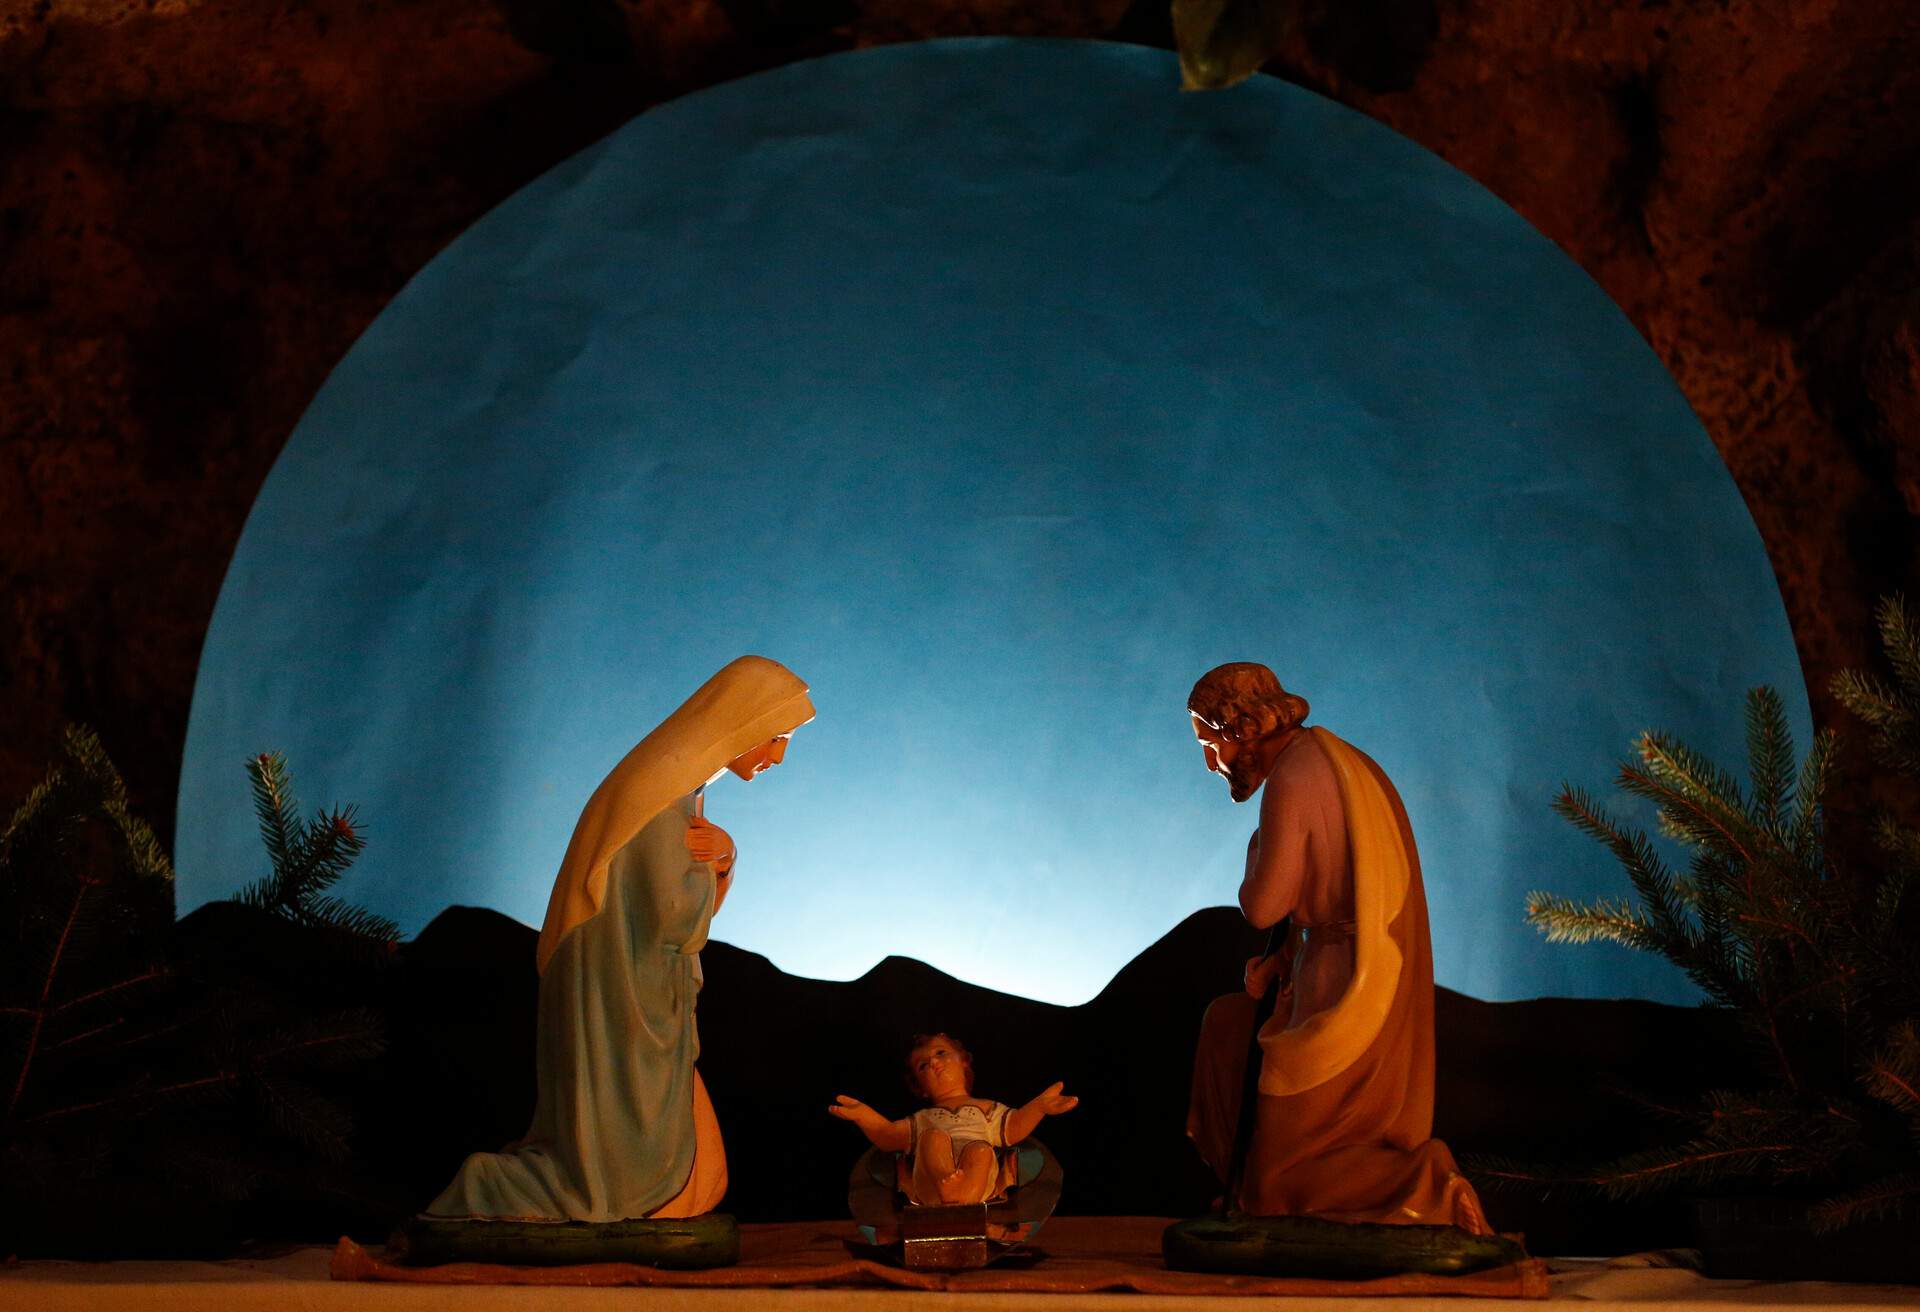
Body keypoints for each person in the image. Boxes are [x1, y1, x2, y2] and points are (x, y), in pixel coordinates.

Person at [425, 655, 814, 1222]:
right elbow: (674, 919)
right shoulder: (663, 795)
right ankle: (491, 1189)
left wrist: (723, 861)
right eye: (777, 736)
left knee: (675, 1166)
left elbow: (682, 926)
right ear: (742, 720)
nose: (778, 755)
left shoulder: (673, 786)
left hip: (631, 986)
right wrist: (722, 862)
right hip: (623, 997)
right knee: (625, 1158)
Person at [1184, 662, 1489, 1232]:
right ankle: (1259, 1194)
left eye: (1209, 742)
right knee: (1229, 1029)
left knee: (1282, 1177)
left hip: (1343, 991)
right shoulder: (1340, 761)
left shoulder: (1295, 776)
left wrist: (1253, 857)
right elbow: (1351, 892)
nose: (1210, 761)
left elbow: (1263, 905)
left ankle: (1422, 1184)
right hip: (1346, 970)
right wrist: (1281, 960)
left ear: (1238, 727)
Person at [828, 1032, 1078, 1206]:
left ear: (964, 1062)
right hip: (931, 1188)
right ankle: (945, 1182)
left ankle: (962, 1193)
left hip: (976, 1187)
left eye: (940, 1053)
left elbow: (1013, 1128)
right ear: (920, 1087)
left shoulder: (988, 1109)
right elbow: (886, 1135)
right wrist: (863, 1114)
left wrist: (1039, 1106)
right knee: (932, 1139)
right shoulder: (923, 1119)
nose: (934, 1062)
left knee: (981, 1150)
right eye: (923, 1066)